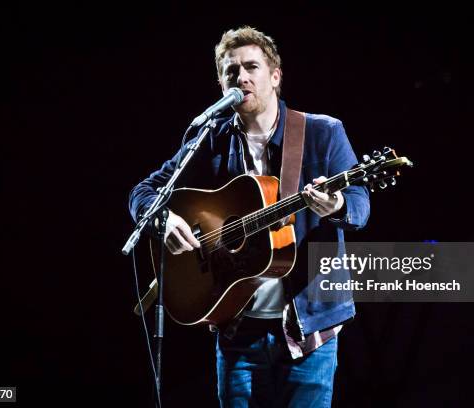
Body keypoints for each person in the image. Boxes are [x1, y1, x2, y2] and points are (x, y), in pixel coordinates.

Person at [129, 26, 370, 408]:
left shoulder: (323, 132)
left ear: (274, 77)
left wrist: (337, 205)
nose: (240, 76)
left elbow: (360, 204)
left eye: (251, 67)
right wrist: (162, 219)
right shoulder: (210, 139)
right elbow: (145, 192)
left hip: (309, 331)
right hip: (237, 329)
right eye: (230, 71)